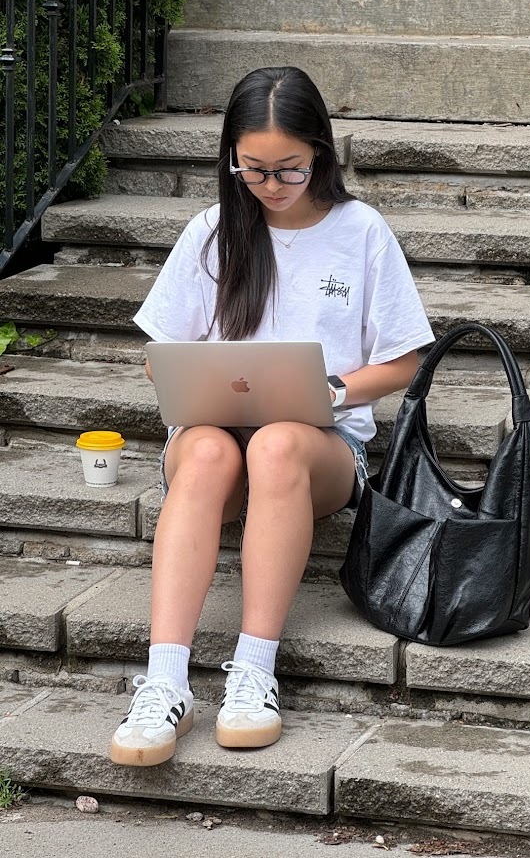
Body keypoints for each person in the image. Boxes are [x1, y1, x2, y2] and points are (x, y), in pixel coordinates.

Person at [109, 66, 434, 767]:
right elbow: (160, 354)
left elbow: (404, 361)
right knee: (206, 451)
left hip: (320, 447)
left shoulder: (360, 231)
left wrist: (330, 390)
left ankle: (254, 674)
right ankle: (164, 682)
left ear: (320, 150)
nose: (270, 184)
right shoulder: (212, 231)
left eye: (289, 168)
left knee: (279, 443)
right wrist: (194, 378)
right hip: (214, 443)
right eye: (252, 169)